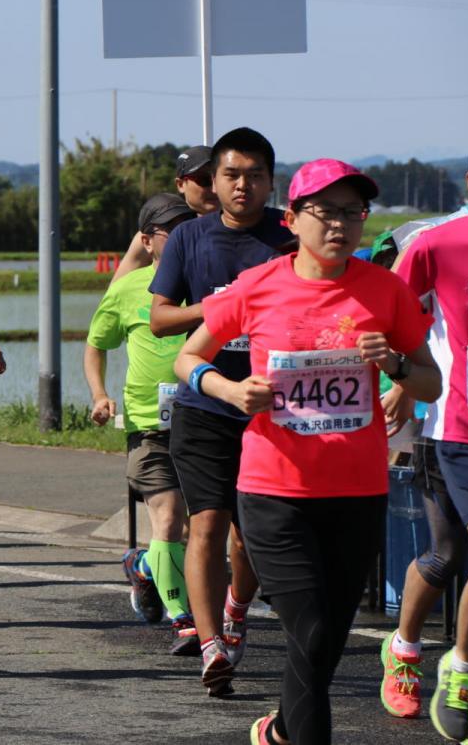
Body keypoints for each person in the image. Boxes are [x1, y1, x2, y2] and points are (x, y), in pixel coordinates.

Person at [174, 158, 439, 744]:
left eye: (353, 213)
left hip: (358, 491)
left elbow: (430, 383)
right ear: (293, 218)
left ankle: (281, 732)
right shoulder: (259, 285)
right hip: (275, 492)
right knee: (313, 637)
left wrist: (393, 364)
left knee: (321, 647)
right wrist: (230, 388)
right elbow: (188, 357)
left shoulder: (385, 290)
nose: (341, 225)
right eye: (326, 212)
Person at [149, 127, 296, 696]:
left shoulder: (288, 235)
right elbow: (161, 318)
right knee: (206, 523)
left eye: (254, 175)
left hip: (272, 405)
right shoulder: (189, 237)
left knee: (252, 536)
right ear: (213, 180)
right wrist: (221, 308)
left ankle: (237, 607)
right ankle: (212, 643)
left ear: (270, 181)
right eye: (231, 175)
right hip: (204, 402)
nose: (242, 185)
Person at [377, 141, 468, 735]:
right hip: (457, 429)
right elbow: (394, 321)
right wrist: (402, 381)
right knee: (458, 555)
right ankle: (408, 651)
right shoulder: (437, 244)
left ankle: (464, 669)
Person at [84, 193, 197, 655]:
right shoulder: (129, 288)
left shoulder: (209, 280)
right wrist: (99, 394)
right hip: (150, 425)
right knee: (168, 517)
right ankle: (184, 621)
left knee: (195, 528)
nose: (181, 238)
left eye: (187, 228)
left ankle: (146, 567)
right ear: (148, 241)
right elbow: (95, 344)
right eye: (171, 230)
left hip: (205, 421)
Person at [111, 146, 220, 282]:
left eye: (220, 178)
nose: (214, 188)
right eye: (204, 180)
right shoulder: (154, 235)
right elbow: (118, 291)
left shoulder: (245, 225)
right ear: (180, 184)